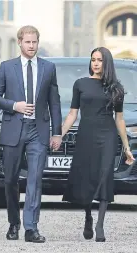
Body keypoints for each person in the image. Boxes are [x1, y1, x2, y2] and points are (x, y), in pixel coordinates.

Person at [0, 25, 62, 243]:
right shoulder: (6, 67)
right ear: (19, 42)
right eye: (28, 42)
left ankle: (31, 228)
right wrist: (14, 105)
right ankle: (14, 222)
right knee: (10, 179)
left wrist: (56, 133)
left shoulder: (48, 68)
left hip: (37, 131)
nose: (31, 46)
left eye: (35, 42)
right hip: (13, 129)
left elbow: (54, 103)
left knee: (35, 179)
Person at [61, 47, 135, 242]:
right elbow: (72, 114)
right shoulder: (81, 84)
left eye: (99, 60)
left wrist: (126, 148)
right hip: (86, 134)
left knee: (104, 176)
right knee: (87, 176)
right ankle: (88, 216)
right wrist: (59, 135)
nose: (95, 63)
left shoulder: (116, 88)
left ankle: (100, 224)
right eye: (93, 59)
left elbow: (119, 119)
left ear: (106, 63)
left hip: (108, 135)